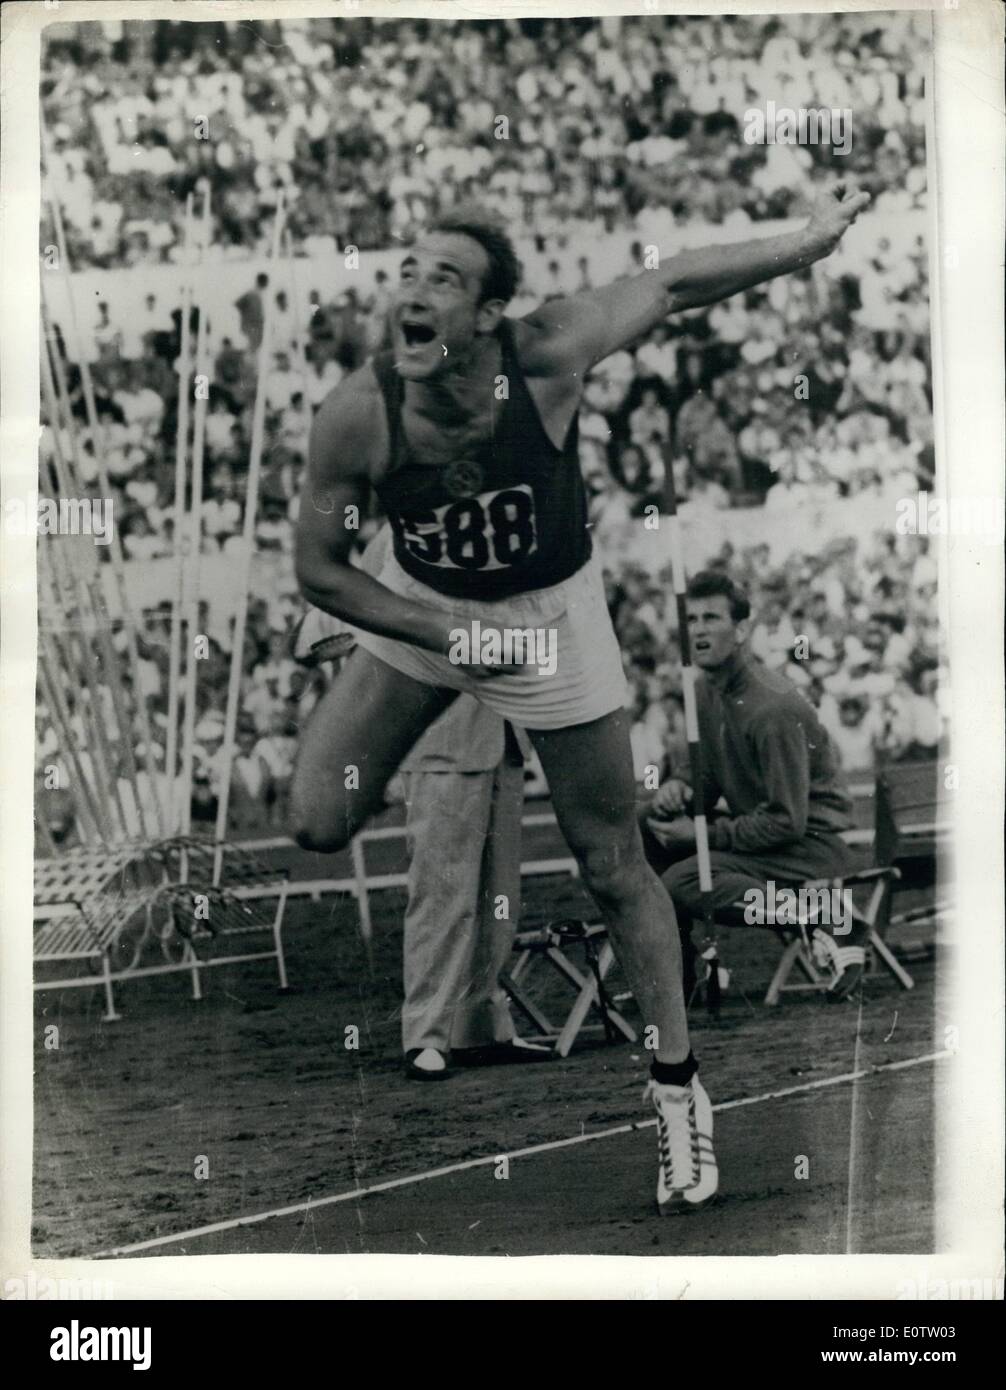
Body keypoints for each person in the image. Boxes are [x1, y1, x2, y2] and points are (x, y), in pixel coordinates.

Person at [292, 187, 869, 1211]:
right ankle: (426, 710)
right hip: (432, 608)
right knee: (317, 817)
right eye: (407, 271)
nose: (415, 289)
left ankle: (678, 1094)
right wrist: (441, 633)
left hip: (550, 616)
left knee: (611, 863)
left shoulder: (549, 353)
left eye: (446, 277)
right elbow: (322, 572)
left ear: (487, 316)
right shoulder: (358, 413)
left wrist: (805, 244)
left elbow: (675, 280)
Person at [639, 571, 865, 1001]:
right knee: (644, 819)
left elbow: (786, 821)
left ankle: (828, 917)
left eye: (711, 618)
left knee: (686, 882)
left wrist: (703, 834)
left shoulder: (771, 707)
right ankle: (679, 963)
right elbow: (705, 777)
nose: (699, 630)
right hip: (763, 837)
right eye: (692, 620)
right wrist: (680, 787)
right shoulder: (705, 692)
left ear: (741, 630)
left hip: (808, 846)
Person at [397, 699, 550, 1080]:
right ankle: (426, 1036)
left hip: (504, 734)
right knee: (441, 893)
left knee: (498, 895)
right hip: (443, 742)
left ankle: (480, 1027)